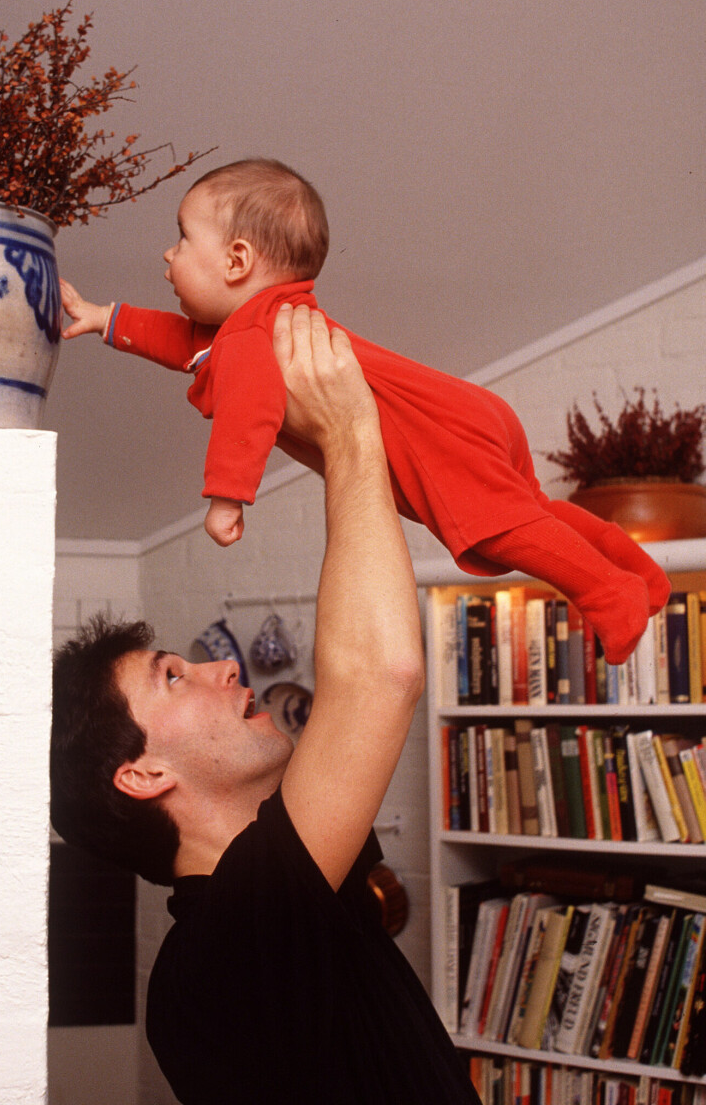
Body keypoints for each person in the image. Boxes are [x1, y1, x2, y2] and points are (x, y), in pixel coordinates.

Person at [50, 305, 483, 1105]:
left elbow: (366, 676)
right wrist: (351, 429)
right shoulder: (223, 948)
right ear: (140, 774)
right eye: (173, 676)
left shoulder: (291, 883)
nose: (219, 667)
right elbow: (381, 671)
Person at [59, 158, 668, 666]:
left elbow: (246, 414)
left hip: (435, 433)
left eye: (184, 237)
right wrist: (104, 318)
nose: (169, 254)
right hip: (465, 411)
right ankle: (635, 569)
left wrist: (225, 499)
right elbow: (185, 341)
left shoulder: (252, 335)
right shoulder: (261, 322)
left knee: (505, 531)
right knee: (534, 513)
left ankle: (610, 595)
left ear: (237, 261)